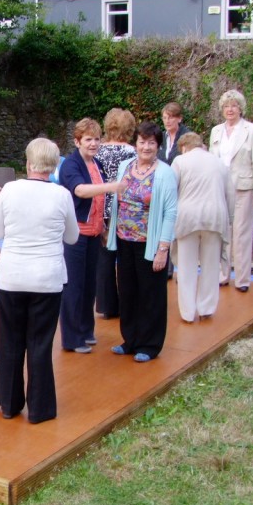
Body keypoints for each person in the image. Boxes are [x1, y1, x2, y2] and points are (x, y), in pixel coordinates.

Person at [0, 138, 79, 423]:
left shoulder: (10, 190)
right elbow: (72, 237)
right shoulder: (62, 194)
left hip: (11, 277)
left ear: (27, 162)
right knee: (40, 345)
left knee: (10, 341)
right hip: (46, 279)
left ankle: (9, 404)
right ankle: (40, 409)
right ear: (53, 165)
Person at [106, 121, 178, 362]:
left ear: (158, 146)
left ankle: (149, 344)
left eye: (151, 143)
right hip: (124, 239)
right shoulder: (125, 165)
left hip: (150, 242)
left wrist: (163, 248)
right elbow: (116, 199)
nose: (146, 147)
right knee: (127, 291)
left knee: (151, 294)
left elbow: (170, 212)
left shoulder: (165, 172)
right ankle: (130, 340)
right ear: (135, 143)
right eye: (142, 142)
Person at [58, 117, 121, 354]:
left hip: (94, 232)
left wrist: (103, 227)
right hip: (75, 235)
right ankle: (72, 338)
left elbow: (99, 201)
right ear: (77, 142)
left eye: (97, 139)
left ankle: (85, 330)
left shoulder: (97, 164)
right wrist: (111, 186)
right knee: (73, 286)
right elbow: (80, 191)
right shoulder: (71, 165)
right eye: (88, 139)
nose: (93, 143)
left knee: (89, 285)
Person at [170, 132, 234, 322]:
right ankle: (206, 308)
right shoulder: (219, 163)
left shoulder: (180, 161)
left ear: (183, 147)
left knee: (186, 266)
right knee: (211, 265)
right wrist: (229, 220)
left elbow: (171, 191)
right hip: (215, 216)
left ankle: (187, 312)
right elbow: (230, 195)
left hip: (187, 217)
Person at [209, 89, 253, 293]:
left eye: (233, 105)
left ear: (240, 108)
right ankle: (222, 275)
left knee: (241, 233)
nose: (230, 109)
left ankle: (242, 279)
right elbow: (210, 161)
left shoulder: (252, 130)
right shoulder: (216, 131)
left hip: (243, 188)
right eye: (226, 106)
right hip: (220, 188)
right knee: (222, 232)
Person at [95, 108, 137, 320]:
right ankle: (128, 302)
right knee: (126, 256)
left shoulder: (98, 151)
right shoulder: (132, 153)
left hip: (102, 205)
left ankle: (105, 304)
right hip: (123, 207)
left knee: (104, 257)